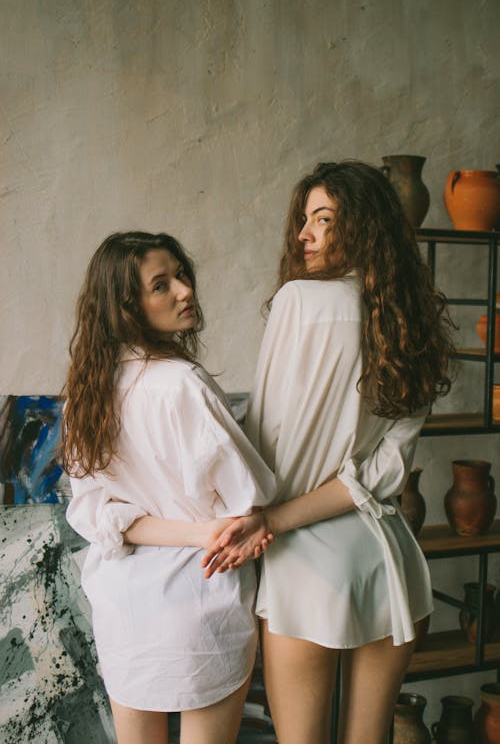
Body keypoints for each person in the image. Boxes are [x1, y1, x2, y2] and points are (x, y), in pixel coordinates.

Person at [202, 161, 456, 744]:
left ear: (362, 227)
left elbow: (266, 447)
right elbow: (387, 470)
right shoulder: (410, 325)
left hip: (307, 570)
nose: (303, 234)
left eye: (323, 219)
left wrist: (262, 519)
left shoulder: (298, 301)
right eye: (304, 220)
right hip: (389, 564)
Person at [62, 232, 275, 744]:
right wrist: (210, 533)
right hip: (200, 599)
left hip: (125, 607)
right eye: (162, 285)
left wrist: (198, 532)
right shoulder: (183, 384)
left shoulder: (86, 392)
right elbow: (249, 501)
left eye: (181, 275)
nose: (184, 291)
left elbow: (99, 516)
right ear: (126, 307)